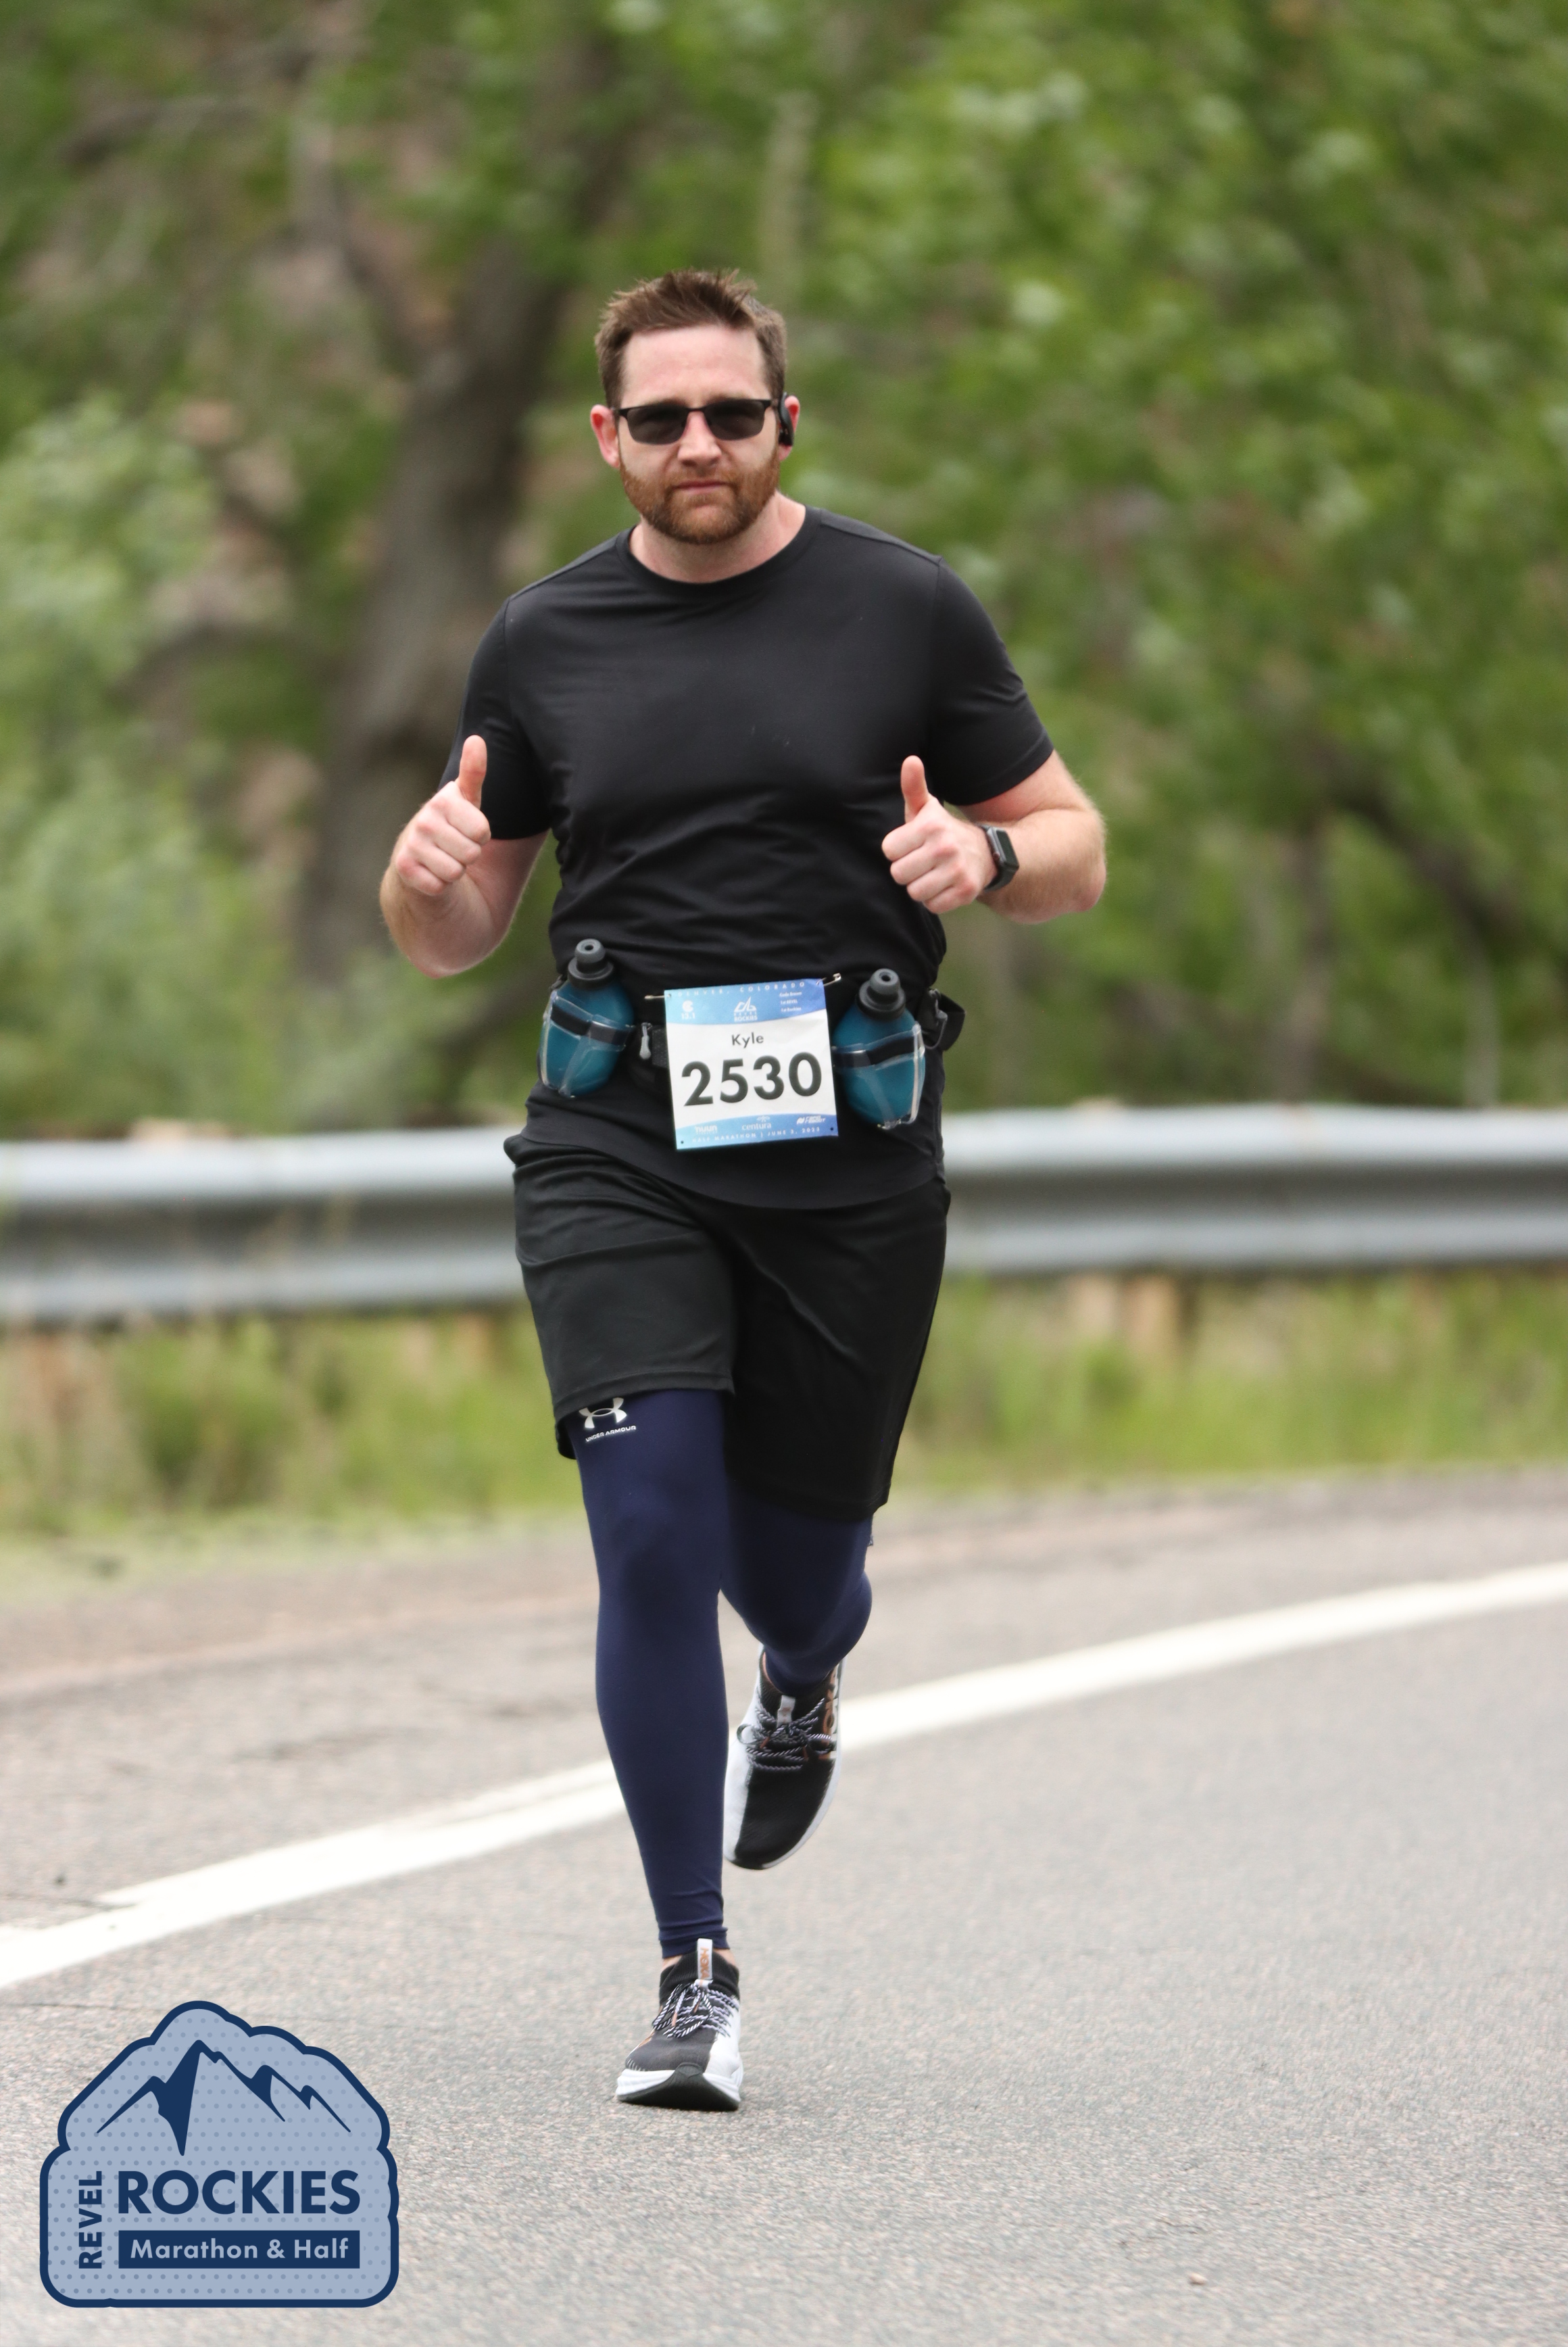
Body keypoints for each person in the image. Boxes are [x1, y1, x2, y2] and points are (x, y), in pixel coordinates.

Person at [380, 268, 1104, 2110]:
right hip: (618, 1138)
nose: (697, 443)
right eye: (661, 417)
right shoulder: (543, 639)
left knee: (793, 1568)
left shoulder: (903, 606)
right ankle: (690, 1966)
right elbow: (459, 929)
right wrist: (421, 877)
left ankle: (806, 1666)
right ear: (607, 437)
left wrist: (984, 853)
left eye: (731, 412)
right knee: (649, 1528)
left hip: (848, 1159)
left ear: (786, 423)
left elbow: (1076, 846)